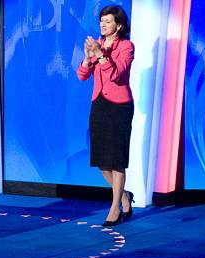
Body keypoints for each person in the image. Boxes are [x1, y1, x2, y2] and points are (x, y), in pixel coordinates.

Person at [77, 5, 135, 226]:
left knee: (116, 159)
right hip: (99, 105)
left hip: (119, 107)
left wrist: (101, 56)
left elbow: (117, 75)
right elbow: (82, 76)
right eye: (101, 21)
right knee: (102, 161)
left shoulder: (127, 47)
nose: (103, 24)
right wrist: (87, 57)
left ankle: (115, 208)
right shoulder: (98, 45)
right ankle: (123, 195)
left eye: (108, 21)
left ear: (118, 25)